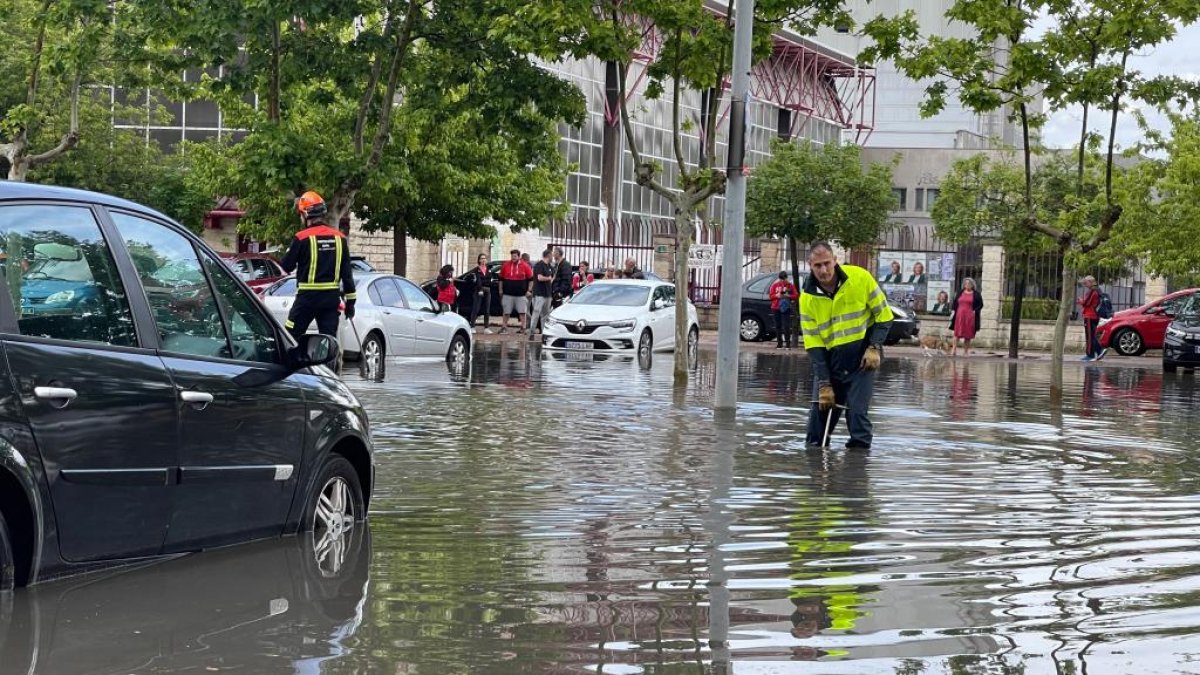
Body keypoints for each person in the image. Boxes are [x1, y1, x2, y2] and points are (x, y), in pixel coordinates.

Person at [800, 242, 893, 451]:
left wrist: (874, 347)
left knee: (857, 415)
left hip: (863, 360)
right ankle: (816, 473)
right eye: (818, 266)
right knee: (818, 424)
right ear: (810, 266)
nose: (824, 270)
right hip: (831, 363)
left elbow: (884, 316)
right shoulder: (807, 298)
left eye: (827, 264)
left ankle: (856, 475)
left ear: (835, 260)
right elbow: (813, 344)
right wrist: (824, 382)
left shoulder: (860, 278)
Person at [280, 191, 356, 341]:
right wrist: (351, 303)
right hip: (330, 300)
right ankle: (327, 365)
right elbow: (347, 275)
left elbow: (286, 266)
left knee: (289, 339)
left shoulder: (301, 238)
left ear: (305, 214)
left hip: (306, 300)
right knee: (328, 343)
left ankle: (292, 364)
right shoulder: (340, 238)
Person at [498, 249, 533, 334]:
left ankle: (523, 328)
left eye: (515, 256)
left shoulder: (525, 266)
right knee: (506, 312)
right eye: (512, 256)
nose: (513, 258)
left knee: (522, 312)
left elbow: (531, 279)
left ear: (519, 256)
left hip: (521, 294)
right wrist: (500, 289)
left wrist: (529, 290)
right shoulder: (505, 265)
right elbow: (501, 279)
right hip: (507, 293)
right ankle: (504, 327)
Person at [949, 278, 983, 357]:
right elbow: (955, 303)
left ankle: (965, 352)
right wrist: (953, 311)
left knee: (968, 334)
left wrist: (975, 311)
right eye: (965, 283)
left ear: (972, 285)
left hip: (970, 316)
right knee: (957, 333)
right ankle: (954, 350)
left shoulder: (976, 294)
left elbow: (980, 305)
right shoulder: (960, 292)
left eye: (969, 284)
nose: (967, 285)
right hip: (959, 315)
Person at [769, 270, 799, 349]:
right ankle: (779, 343)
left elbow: (796, 295)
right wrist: (777, 295)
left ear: (786, 278)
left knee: (786, 326)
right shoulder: (775, 285)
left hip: (785, 307)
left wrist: (788, 296)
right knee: (778, 326)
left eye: (784, 279)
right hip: (776, 307)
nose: (782, 281)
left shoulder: (790, 285)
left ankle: (788, 344)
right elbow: (771, 296)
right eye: (781, 279)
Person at [1077, 275, 1104, 361]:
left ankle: (1090, 355)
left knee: (1089, 336)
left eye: (1086, 282)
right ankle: (1099, 351)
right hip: (1096, 316)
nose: (1085, 284)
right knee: (1093, 335)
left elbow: (1086, 303)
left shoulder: (1092, 291)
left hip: (1089, 316)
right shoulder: (1098, 290)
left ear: (1090, 282)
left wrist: (1080, 300)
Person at [466, 253, 493, 332]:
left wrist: (486, 283)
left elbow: (489, 280)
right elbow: (478, 280)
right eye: (481, 258)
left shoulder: (489, 269)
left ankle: (486, 327)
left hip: (487, 290)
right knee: (476, 308)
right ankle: (472, 326)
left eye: (484, 258)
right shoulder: (476, 269)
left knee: (487, 309)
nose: (483, 260)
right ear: (479, 260)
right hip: (478, 290)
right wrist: (480, 289)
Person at [531, 249, 555, 334]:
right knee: (536, 312)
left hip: (548, 294)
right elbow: (539, 278)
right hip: (539, 293)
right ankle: (532, 332)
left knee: (545, 315)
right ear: (548, 255)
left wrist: (551, 279)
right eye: (552, 255)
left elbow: (552, 279)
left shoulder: (549, 266)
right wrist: (548, 278)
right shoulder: (539, 265)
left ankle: (543, 333)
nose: (553, 257)